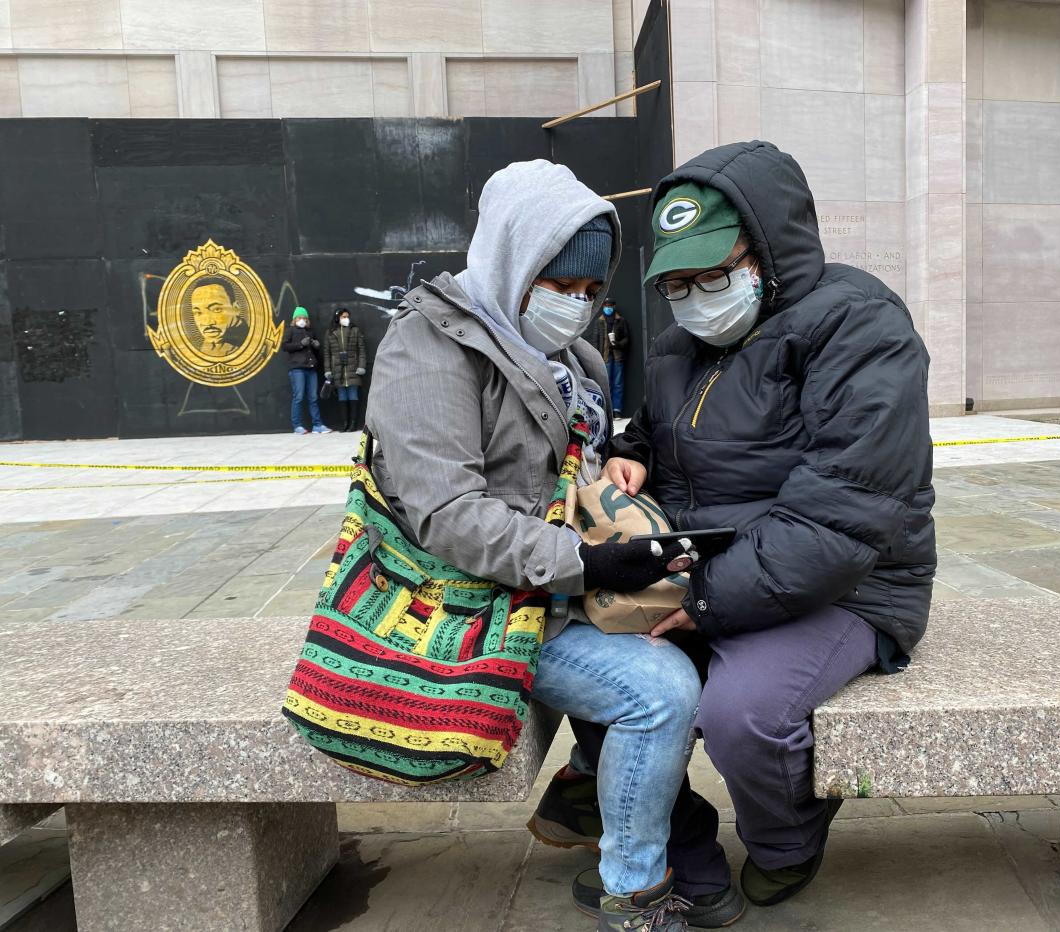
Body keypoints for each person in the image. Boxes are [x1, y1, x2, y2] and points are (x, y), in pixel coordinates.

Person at [530, 141, 937, 922]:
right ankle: (690, 860)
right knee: (598, 671)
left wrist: (709, 600)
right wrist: (628, 458)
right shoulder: (687, 342)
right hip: (706, 570)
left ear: (769, 248)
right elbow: (650, 429)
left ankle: (788, 840)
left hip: (849, 581)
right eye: (678, 282)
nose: (693, 298)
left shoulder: (861, 327)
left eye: (712, 276)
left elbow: (843, 513)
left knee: (741, 713)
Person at [367, 159, 706, 932]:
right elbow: (447, 513)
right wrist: (585, 563)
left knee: (695, 631)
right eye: (562, 285)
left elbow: (564, 464)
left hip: (556, 591)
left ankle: (585, 785)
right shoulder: (429, 346)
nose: (578, 307)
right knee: (661, 692)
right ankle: (632, 892)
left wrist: (617, 461)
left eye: (592, 291)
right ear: (514, 260)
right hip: (476, 604)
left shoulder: (575, 358)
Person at [282, 306, 332, 435]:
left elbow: (314, 351)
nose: (302, 320)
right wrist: (300, 344)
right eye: (299, 318)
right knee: (298, 397)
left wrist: (316, 346)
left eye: (304, 318)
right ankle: (297, 426)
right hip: (297, 369)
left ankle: (317, 425)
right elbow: (285, 346)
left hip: (311, 368)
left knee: (313, 397)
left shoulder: (310, 332)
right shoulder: (290, 331)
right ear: (294, 319)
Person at [325, 307, 367, 432]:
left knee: (353, 395)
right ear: (338, 318)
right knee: (342, 396)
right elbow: (327, 353)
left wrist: (361, 366)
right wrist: (328, 370)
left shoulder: (355, 330)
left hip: (352, 368)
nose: (346, 319)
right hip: (338, 369)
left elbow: (362, 350)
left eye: (347, 316)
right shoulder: (330, 332)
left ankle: (353, 423)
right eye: (343, 316)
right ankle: (345, 423)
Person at [590, 298, 630, 412]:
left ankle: (617, 409)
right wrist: (597, 357)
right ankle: (607, 409)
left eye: (610, 305)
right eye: (606, 305)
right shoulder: (599, 321)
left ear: (614, 306)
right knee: (606, 384)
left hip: (618, 357)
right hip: (605, 357)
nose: (608, 308)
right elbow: (595, 340)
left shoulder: (621, 320)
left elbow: (627, 339)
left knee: (618, 384)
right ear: (603, 306)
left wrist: (618, 344)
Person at [190, 280, 243, 357]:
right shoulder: (209, 344)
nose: (207, 322)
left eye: (216, 309)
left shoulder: (248, 343)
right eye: (198, 312)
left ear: (236, 309)